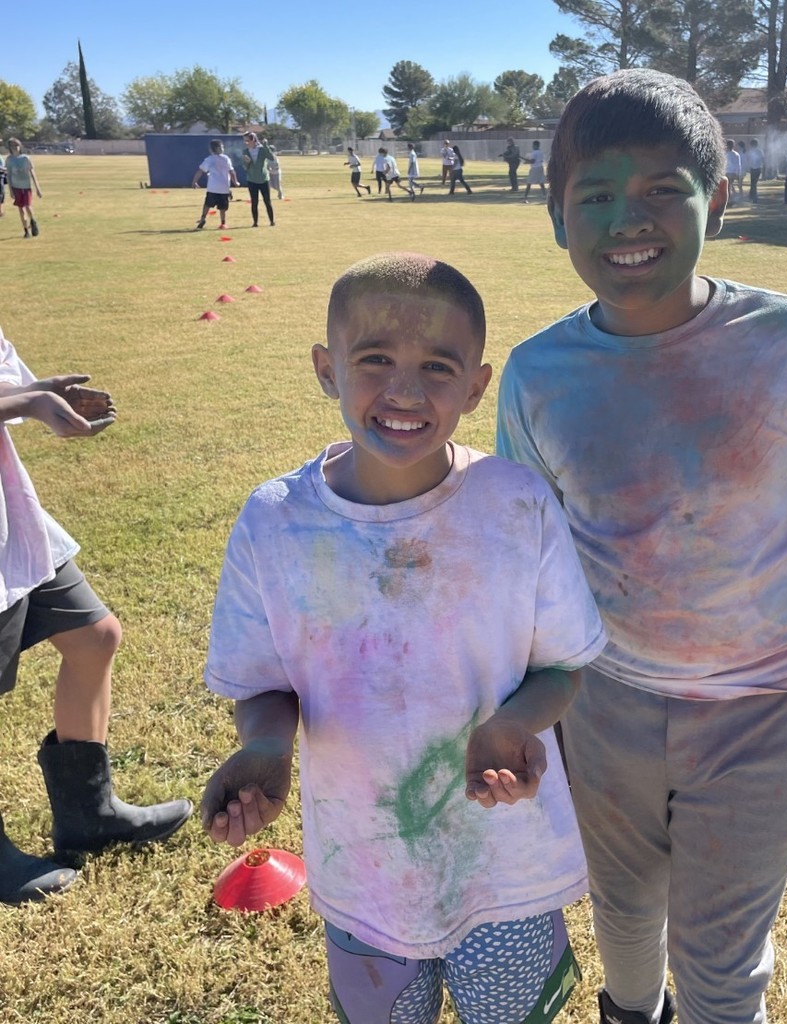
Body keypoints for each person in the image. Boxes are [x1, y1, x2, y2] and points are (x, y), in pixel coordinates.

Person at [496, 69, 787, 1024]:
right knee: (625, 920)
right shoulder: (538, 374)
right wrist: (531, 712)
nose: (627, 219)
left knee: (722, 967)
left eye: (661, 191)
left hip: (757, 715)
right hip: (605, 706)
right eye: (594, 196)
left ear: (715, 199)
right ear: (556, 218)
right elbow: (530, 563)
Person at [200, 252, 606, 1024]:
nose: (405, 390)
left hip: (503, 866)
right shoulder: (276, 520)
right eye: (374, 359)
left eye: (438, 367)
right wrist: (263, 749)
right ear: (326, 368)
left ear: (477, 386)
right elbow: (261, 682)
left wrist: (512, 724)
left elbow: (563, 666)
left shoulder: (516, 505)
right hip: (364, 872)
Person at [0, 327, 193, 905]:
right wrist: (31, 402)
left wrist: (37, 392)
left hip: (14, 521)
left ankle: (89, 814)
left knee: (93, 635)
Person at [191, 139, 239, 230]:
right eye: (222, 147)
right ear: (218, 148)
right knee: (223, 208)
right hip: (224, 187)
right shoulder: (226, 158)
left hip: (213, 187)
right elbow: (232, 172)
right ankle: (223, 223)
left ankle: (203, 219)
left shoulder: (209, 159)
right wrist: (235, 182)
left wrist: (194, 181)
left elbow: (200, 171)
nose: (223, 148)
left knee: (207, 204)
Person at [6, 138, 42, 239]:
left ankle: (33, 221)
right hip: (16, 187)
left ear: (20, 146)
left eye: (16, 145)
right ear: (10, 148)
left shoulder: (26, 158)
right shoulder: (9, 159)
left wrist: (37, 188)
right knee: (21, 209)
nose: (15, 148)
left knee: (28, 206)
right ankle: (26, 230)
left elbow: (32, 173)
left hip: (26, 187)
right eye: (12, 146)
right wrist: (11, 190)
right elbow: (8, 176)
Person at [242, 131, 275, 227]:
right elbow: (245, 167)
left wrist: (266, 146)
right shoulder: (245, 151)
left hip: (264, 179)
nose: (246, 143)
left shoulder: (262, 149)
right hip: (252, 180)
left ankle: (272, 221)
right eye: (245, 141)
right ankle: (255, 222)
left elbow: (271, 157)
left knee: (267, 201)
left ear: (253, 140)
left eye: (247, 141)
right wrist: (247, 163)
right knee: (254, 202)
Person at [746, 138, 764, 203]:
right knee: (753, 183)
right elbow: (762, 159)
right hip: (758, 169)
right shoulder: (760, 151)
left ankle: (754, 198)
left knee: (753, 184)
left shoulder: (751, 151)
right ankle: (751, 196)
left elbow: (748, 159)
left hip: (753, 169)